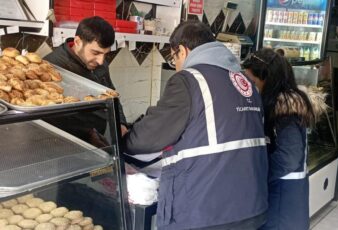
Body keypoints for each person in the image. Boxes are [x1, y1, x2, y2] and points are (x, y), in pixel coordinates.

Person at [122, 20, 269, 230]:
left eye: (174, 59)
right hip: (251, 206)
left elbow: (150, 135)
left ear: (182, 50)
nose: (176, 66)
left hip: (206, 211)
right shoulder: (244, 82)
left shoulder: (189, 79)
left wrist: (124, 139)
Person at [243, 48, 327, 230]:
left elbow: (289, 157)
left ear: (267, 80)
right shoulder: (278, 106)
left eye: (252, 81)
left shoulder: (287, 112)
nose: (249, 87)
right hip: (282, 196)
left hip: (283, 200)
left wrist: (257, 176)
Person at [44, 16, 128, 142]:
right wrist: (89, 134)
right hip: (71, 143)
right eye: (95, 53)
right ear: (77, 42)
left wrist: (120, 123)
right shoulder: (52, 67)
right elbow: (53, 118)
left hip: (102, 135)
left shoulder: (100, 64)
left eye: (105, 54)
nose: (101, 61)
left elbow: (111, 95)